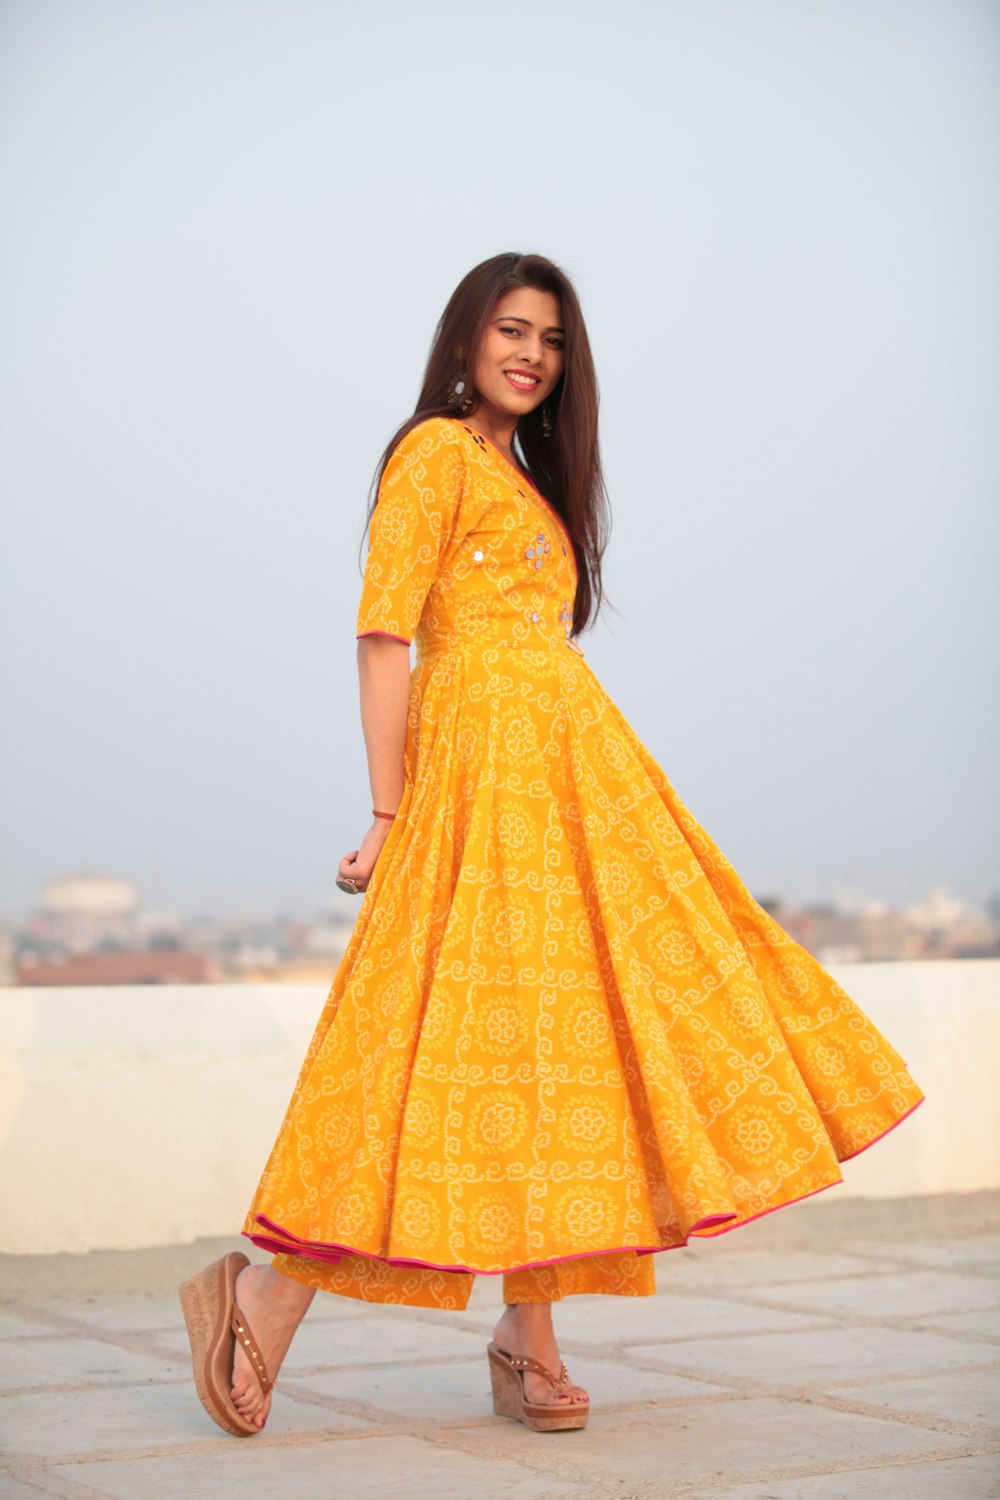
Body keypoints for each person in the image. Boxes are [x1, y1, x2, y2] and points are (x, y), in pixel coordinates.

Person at [179, 251, 925, 1438]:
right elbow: (385, 636)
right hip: (476, 786)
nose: (532, 353)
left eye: (554, 339)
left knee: (560, 1043)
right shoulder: (430, 453)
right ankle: (262, 1296)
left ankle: (528, 1335)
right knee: (422, 1039)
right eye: (512, 329)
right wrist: (387, 809)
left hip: (573, 786)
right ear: (466, 338)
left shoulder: (526, 478)